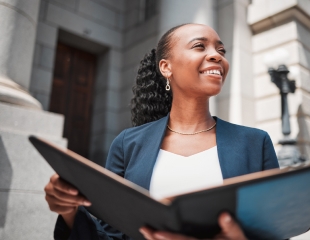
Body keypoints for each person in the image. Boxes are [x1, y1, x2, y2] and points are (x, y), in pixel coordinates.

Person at [44, 23, 279, 240]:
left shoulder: (255, 143)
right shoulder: (128, 144)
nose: (217, 55)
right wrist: (69, 210)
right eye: (199, 46)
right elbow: (111, 235)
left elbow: (276, 229)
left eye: (221, 50)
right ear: (166, 67)